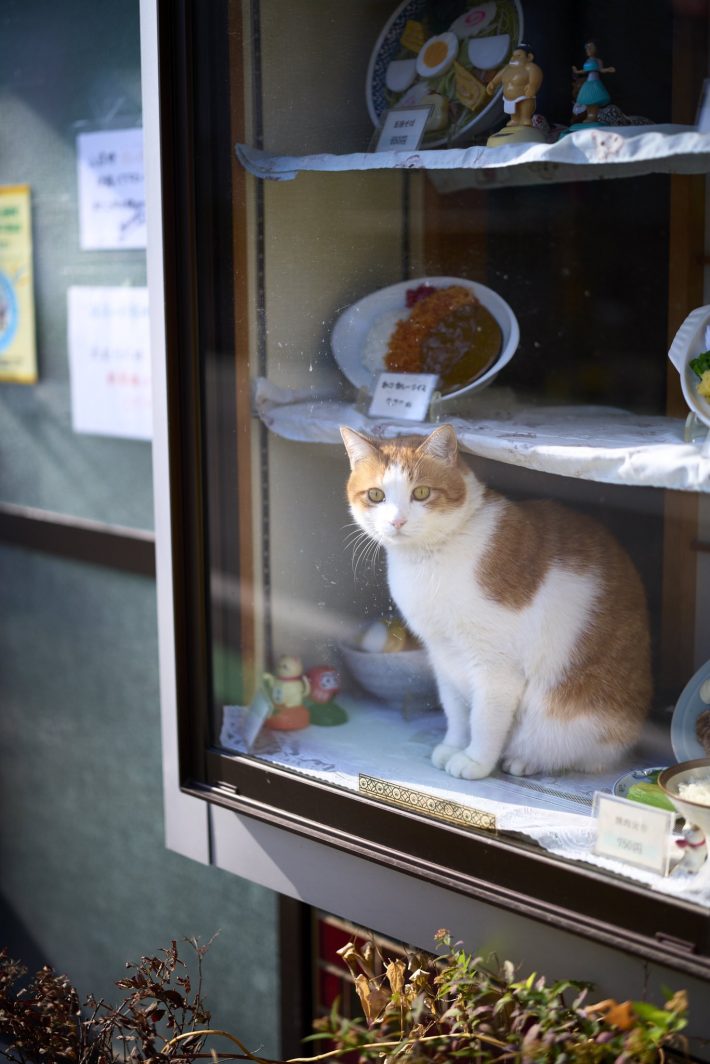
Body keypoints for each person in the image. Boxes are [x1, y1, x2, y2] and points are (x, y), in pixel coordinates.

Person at [486, 43, 543, 128]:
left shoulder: (530, 67)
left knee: (525, 106)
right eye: (513, 55)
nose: (514, 58)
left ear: (529, 57)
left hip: (524, 96)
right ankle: (515, 120)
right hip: (508, 98)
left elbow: (536, 76)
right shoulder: (508, 68)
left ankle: (525, 118)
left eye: (518, 55)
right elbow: (499, 76)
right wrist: (493, 83)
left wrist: (532, 86)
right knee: (512, 110)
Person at [572, 40, 615, 123]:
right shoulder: (587, 61)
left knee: (594, 100)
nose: (588, 50)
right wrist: (576, 71)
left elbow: (601, 70)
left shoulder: (598, 60)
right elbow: (584, 71)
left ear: (595, 49)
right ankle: (589, 116)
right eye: (587, 49)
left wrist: (608, 69)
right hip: (588, 82)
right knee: (588, 100)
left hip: (595, 82)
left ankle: (593, 116)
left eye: (590, 48)